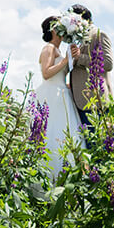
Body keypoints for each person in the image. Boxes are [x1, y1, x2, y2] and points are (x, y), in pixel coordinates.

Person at [35, 15, 84, 180]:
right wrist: (65, 60)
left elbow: (60, 76)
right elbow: (46, 73)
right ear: (54, 30)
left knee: (67, 135)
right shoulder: (48, 48)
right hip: (51, 96)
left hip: (62, 95)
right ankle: (52, 178)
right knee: (54, 134)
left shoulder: (57, 50)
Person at [66, 3, 113, 132]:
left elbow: (108, 64)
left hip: (96, 101)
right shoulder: (75, 38)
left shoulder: (99, 34)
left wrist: (80, 58)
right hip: (79, 102)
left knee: (99, 143)